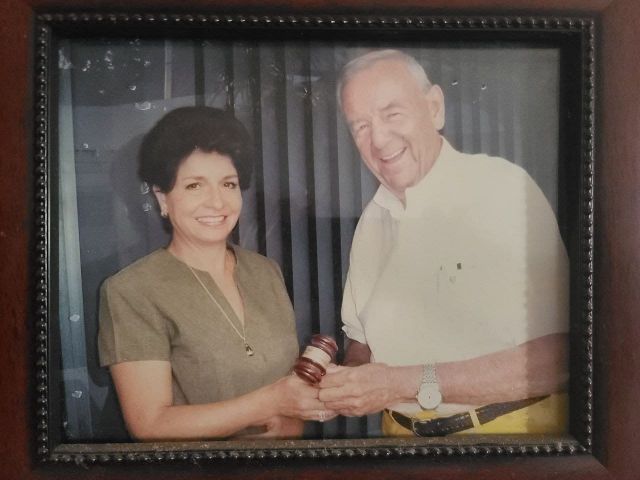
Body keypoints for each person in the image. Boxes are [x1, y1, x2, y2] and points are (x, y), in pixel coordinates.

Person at [318, 50, 570, 436]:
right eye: (361, 126)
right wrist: (348, 382)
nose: (379, 139)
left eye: (392, 114)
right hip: (398, 440)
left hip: (505, 439)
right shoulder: (372, 218)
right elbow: (361, 342)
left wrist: (400, 384)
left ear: (434, 107)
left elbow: (563, 356)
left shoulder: (501, 190)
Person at [98, 106, 333, 441]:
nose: (217, 202)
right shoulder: (132, 291)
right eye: (195, 185)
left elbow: (292, 393)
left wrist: (292, 422)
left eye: (228, 184)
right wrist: (271, 402)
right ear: (162, 198)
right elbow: (149, 424)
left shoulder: (265, 272)